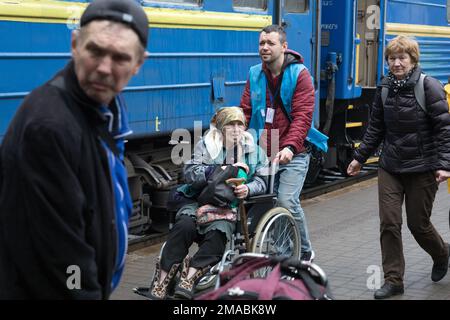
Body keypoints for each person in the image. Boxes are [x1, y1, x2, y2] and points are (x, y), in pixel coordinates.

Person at [0, 0, 148, 299]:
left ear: (137, 64)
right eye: (95, 51)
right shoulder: (50, 127)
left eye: (120, 57)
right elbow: (65, 264)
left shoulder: (103, 110)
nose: (104, 68)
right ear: (74, 44)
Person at [347, 36, 450, 299]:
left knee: (419, 225)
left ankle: (442, 253)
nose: (396, 63)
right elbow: (376, 128)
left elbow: (444, 130)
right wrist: (359, 157)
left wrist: (444, 165)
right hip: (391, 166)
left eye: (402, 58)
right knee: (389, 224)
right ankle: (394, 280)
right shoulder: (385, 89)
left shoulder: (430, 87)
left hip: (423, 167)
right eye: (392, 58)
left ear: (413, 60)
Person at [147, 107, 268, 300]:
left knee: (217, 234)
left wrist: (247, 189)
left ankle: (190, 277)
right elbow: (189, 173)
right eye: (231, 124)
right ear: (221, 128)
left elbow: (263, 182)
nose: (236, 129)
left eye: (240, 124)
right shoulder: (206, 146)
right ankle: (161, 280)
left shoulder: (255, 151)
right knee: (184, 226)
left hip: (227, 208)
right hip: (197, 200)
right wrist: (219, 171)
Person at [240, 24, 316, 262]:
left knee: (286, 201)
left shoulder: (300, 74)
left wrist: (290, 147)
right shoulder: (255, 73)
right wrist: (233, 132)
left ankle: (304, 252)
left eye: (270, 43)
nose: (264, 47)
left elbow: (303, 116)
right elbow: (245, 109)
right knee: (268, 203)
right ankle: (284, 254)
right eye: (261, 43)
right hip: (264, 152)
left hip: (295, 152)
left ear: (284, 46)